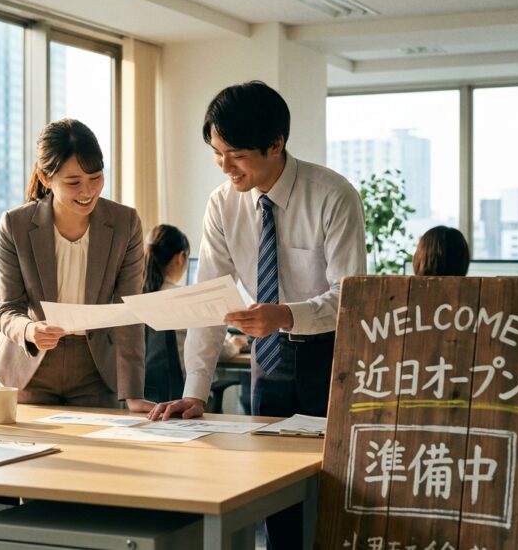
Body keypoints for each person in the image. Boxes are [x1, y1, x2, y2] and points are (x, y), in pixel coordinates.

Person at [147, 81, 367, 550]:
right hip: (267, 360)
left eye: (237, 155)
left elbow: (352, 299)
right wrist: (194, 393)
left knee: (333, 497)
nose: (225, 166)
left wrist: (287, 315)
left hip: (331, 357)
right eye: (217, 153)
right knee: (275, 502)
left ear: (276, 144)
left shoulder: (332, 195)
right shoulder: (222, 204)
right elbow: (209, 302)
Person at [0, 118, 152, 411]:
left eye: (96, 177)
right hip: (29, 367)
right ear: (45, 178)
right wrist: (29, 330)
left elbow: (129, 311)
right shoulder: (15, 225)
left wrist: (133, 393)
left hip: (96, 369)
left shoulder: (125, 223)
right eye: (73, 182)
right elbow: (7, 309)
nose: (87, 191)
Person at [143, 224, 248, 402]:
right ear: (180, 258)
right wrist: (235, 345)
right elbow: (213, 348)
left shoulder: (138, 299)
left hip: (144, 398)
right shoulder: (184, 300)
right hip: (184, 397)